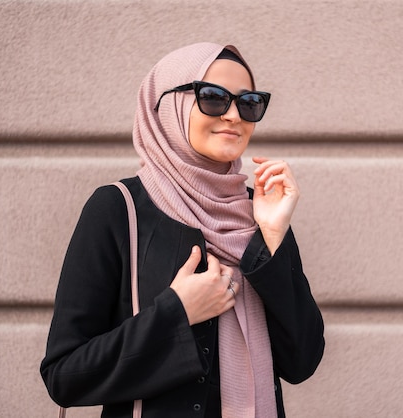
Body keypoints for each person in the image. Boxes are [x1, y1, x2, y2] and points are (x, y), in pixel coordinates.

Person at [40, 42, 325, 418]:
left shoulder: (261, 211)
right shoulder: (117, 208)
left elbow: (301, 362)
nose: (233, 116)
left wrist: (270, 239)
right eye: (212, 98)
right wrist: (177, 313)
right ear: (169, 105)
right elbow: (65, 375)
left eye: (249, 102)